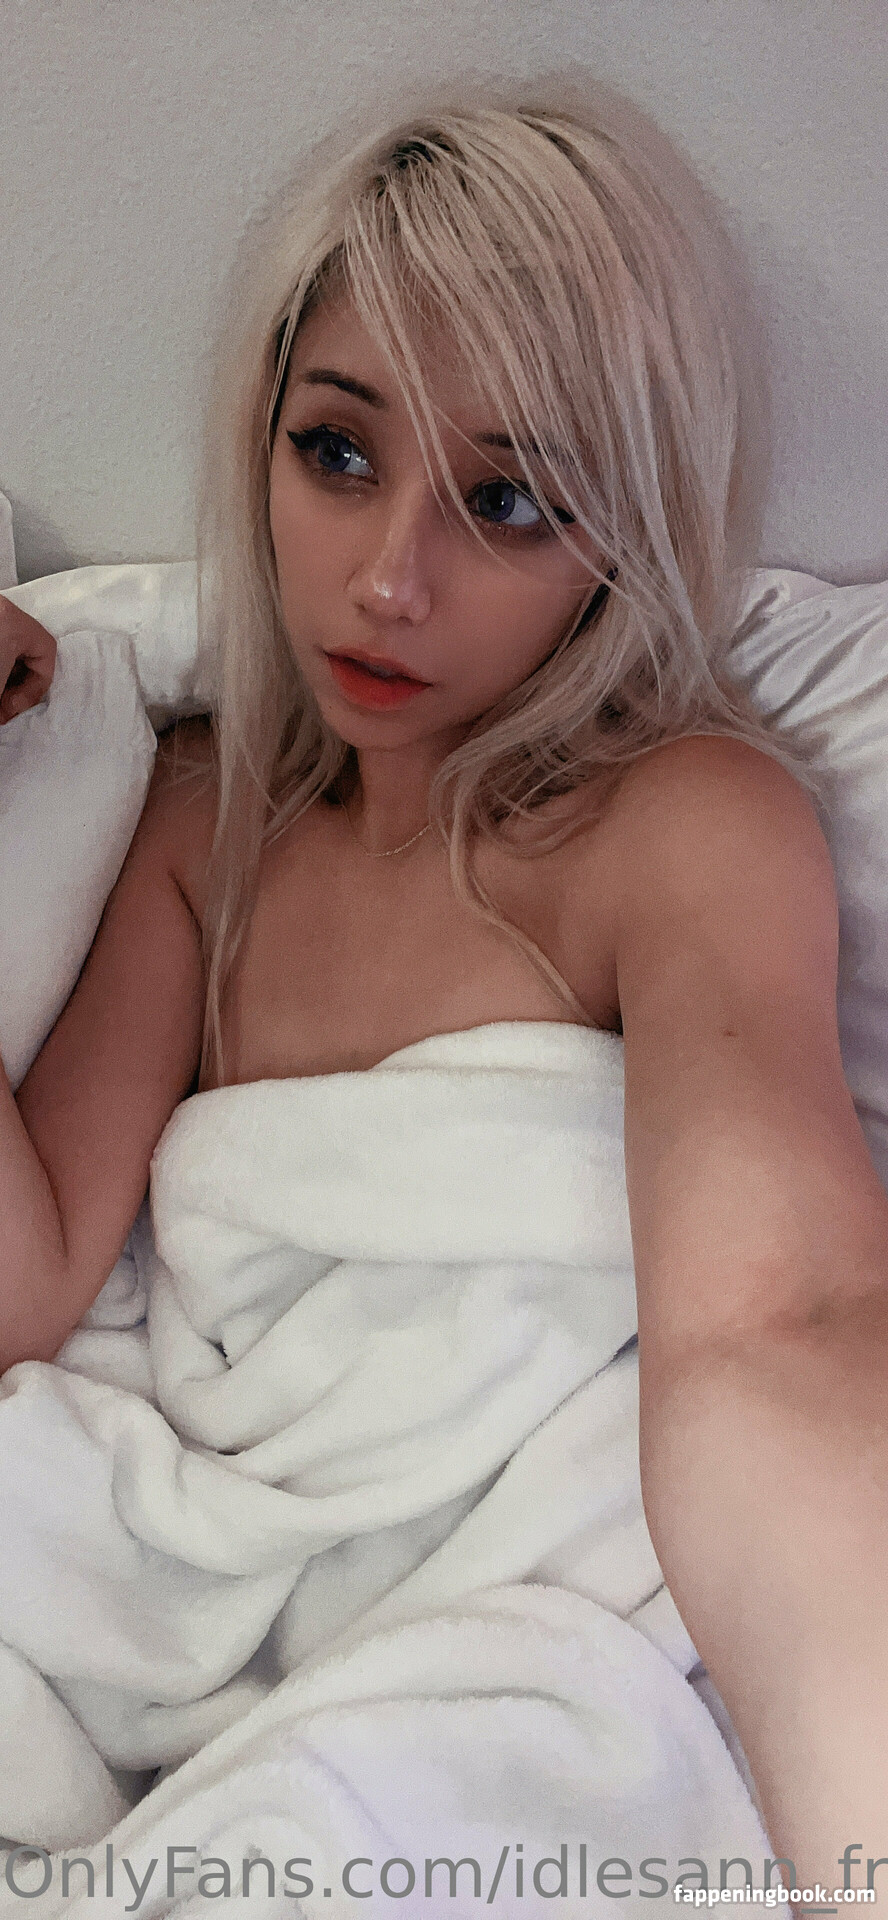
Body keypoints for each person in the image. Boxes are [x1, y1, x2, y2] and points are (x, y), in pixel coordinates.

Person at [3, 95, 888, 1888]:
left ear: (620, 535)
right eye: (337, 453)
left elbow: (776, 1326)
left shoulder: (681, 823)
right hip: (208, 1661)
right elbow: (27, 1285)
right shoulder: (201, 829)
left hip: (544, 1686)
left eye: (508, 501)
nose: (391, 579)